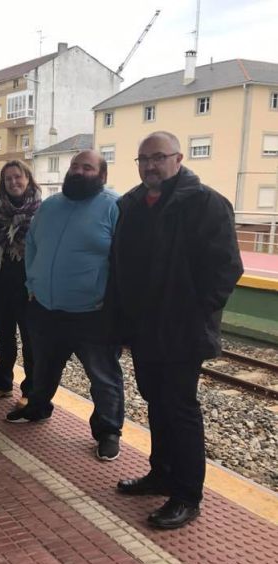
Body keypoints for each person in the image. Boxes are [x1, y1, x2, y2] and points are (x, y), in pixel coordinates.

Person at [113, 131, 243, 529]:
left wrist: (194, 314)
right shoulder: (132, 205)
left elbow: (225, 270)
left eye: (158, 157)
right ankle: (161, 473)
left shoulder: (207, 204)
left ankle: (187, 494)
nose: (150, 165)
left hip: (183, 332)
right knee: (156, 402)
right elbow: (121, 265)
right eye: (143, 159)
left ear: (178, 158)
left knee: (181, 409)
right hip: (145, 329)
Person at [10, 150, 125, 463]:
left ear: (101, 175)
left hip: (93, 313)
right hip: (46, 307)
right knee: (44, 366)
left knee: (103, 376)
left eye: (87, 167)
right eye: (75, 166)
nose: (78, 171)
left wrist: (111, 302)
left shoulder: (114, 207)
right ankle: (38, 406)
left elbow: (124, 260)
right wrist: (32, 284)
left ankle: (108, 431)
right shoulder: (50, 206)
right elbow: (32, 244)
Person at [0, 160, 41, 405]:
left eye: (17, 177)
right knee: (4, 337)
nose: (13, 182)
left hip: (29, 288)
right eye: (8, 178)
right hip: (1, 285)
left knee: (30, 340)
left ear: (28, 178)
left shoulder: (40, 211)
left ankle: (31, 390)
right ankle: (2, 383)